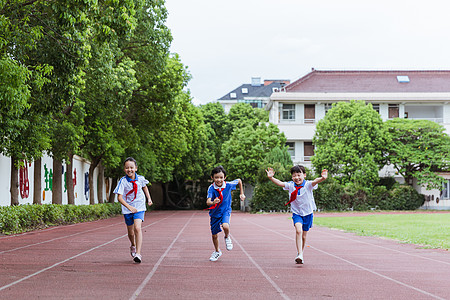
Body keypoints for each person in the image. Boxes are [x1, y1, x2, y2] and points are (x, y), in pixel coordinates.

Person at [266, 165, 327, 264]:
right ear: (292, 177)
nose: (297, 177)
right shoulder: (290, 185)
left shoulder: (308, 184)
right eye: (294, 175)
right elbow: (281, 183)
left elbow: (316, 181)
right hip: (297, 213)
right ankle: (299, 254)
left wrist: (323, 178)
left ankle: (301, 252)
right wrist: (271, 177)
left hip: (308, 213)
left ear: (304, 175)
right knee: (298, 231)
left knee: (303, 236)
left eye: (299, 175)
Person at [114, 157, 153, 263]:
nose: (129, 170)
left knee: (137, 228)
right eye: (127, 168)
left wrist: (149, 198)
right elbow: (119, 198)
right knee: (131, 233)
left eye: (131, 167)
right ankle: (133, 245)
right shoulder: (122, 181)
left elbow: (144, 187)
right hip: (128, 209)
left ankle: (138, 254)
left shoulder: (140, 179)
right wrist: (129, 207)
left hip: (139, 207)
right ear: (124, 169)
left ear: (136, 168)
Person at [206, 166, 246, 262]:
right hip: (214, 213)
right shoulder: (211, 188)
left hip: (225, 211)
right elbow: (208, 202)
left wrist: (241, 193)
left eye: (221, 177)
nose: (219, 180)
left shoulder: (228, 185)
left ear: (225, 177)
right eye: (216, 177)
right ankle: (217, 251)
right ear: (212, 177)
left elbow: (239, 181)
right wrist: (213, 202)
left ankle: (227, 237)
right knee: (214, 235)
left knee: (225, 226)